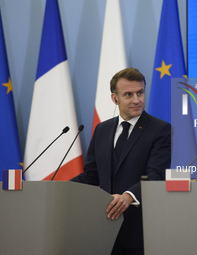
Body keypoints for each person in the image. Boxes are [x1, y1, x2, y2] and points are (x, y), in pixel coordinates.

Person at [71, 67, 172, 255]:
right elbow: (92, 175)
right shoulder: (102, 129)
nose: (136, 100)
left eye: (140, 93)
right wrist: (62, 188)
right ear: (114, 98)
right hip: (103, 228)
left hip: (140, 230)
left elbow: (156, 175)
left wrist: (128, 197)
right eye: (128, 94)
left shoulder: (160, 130)